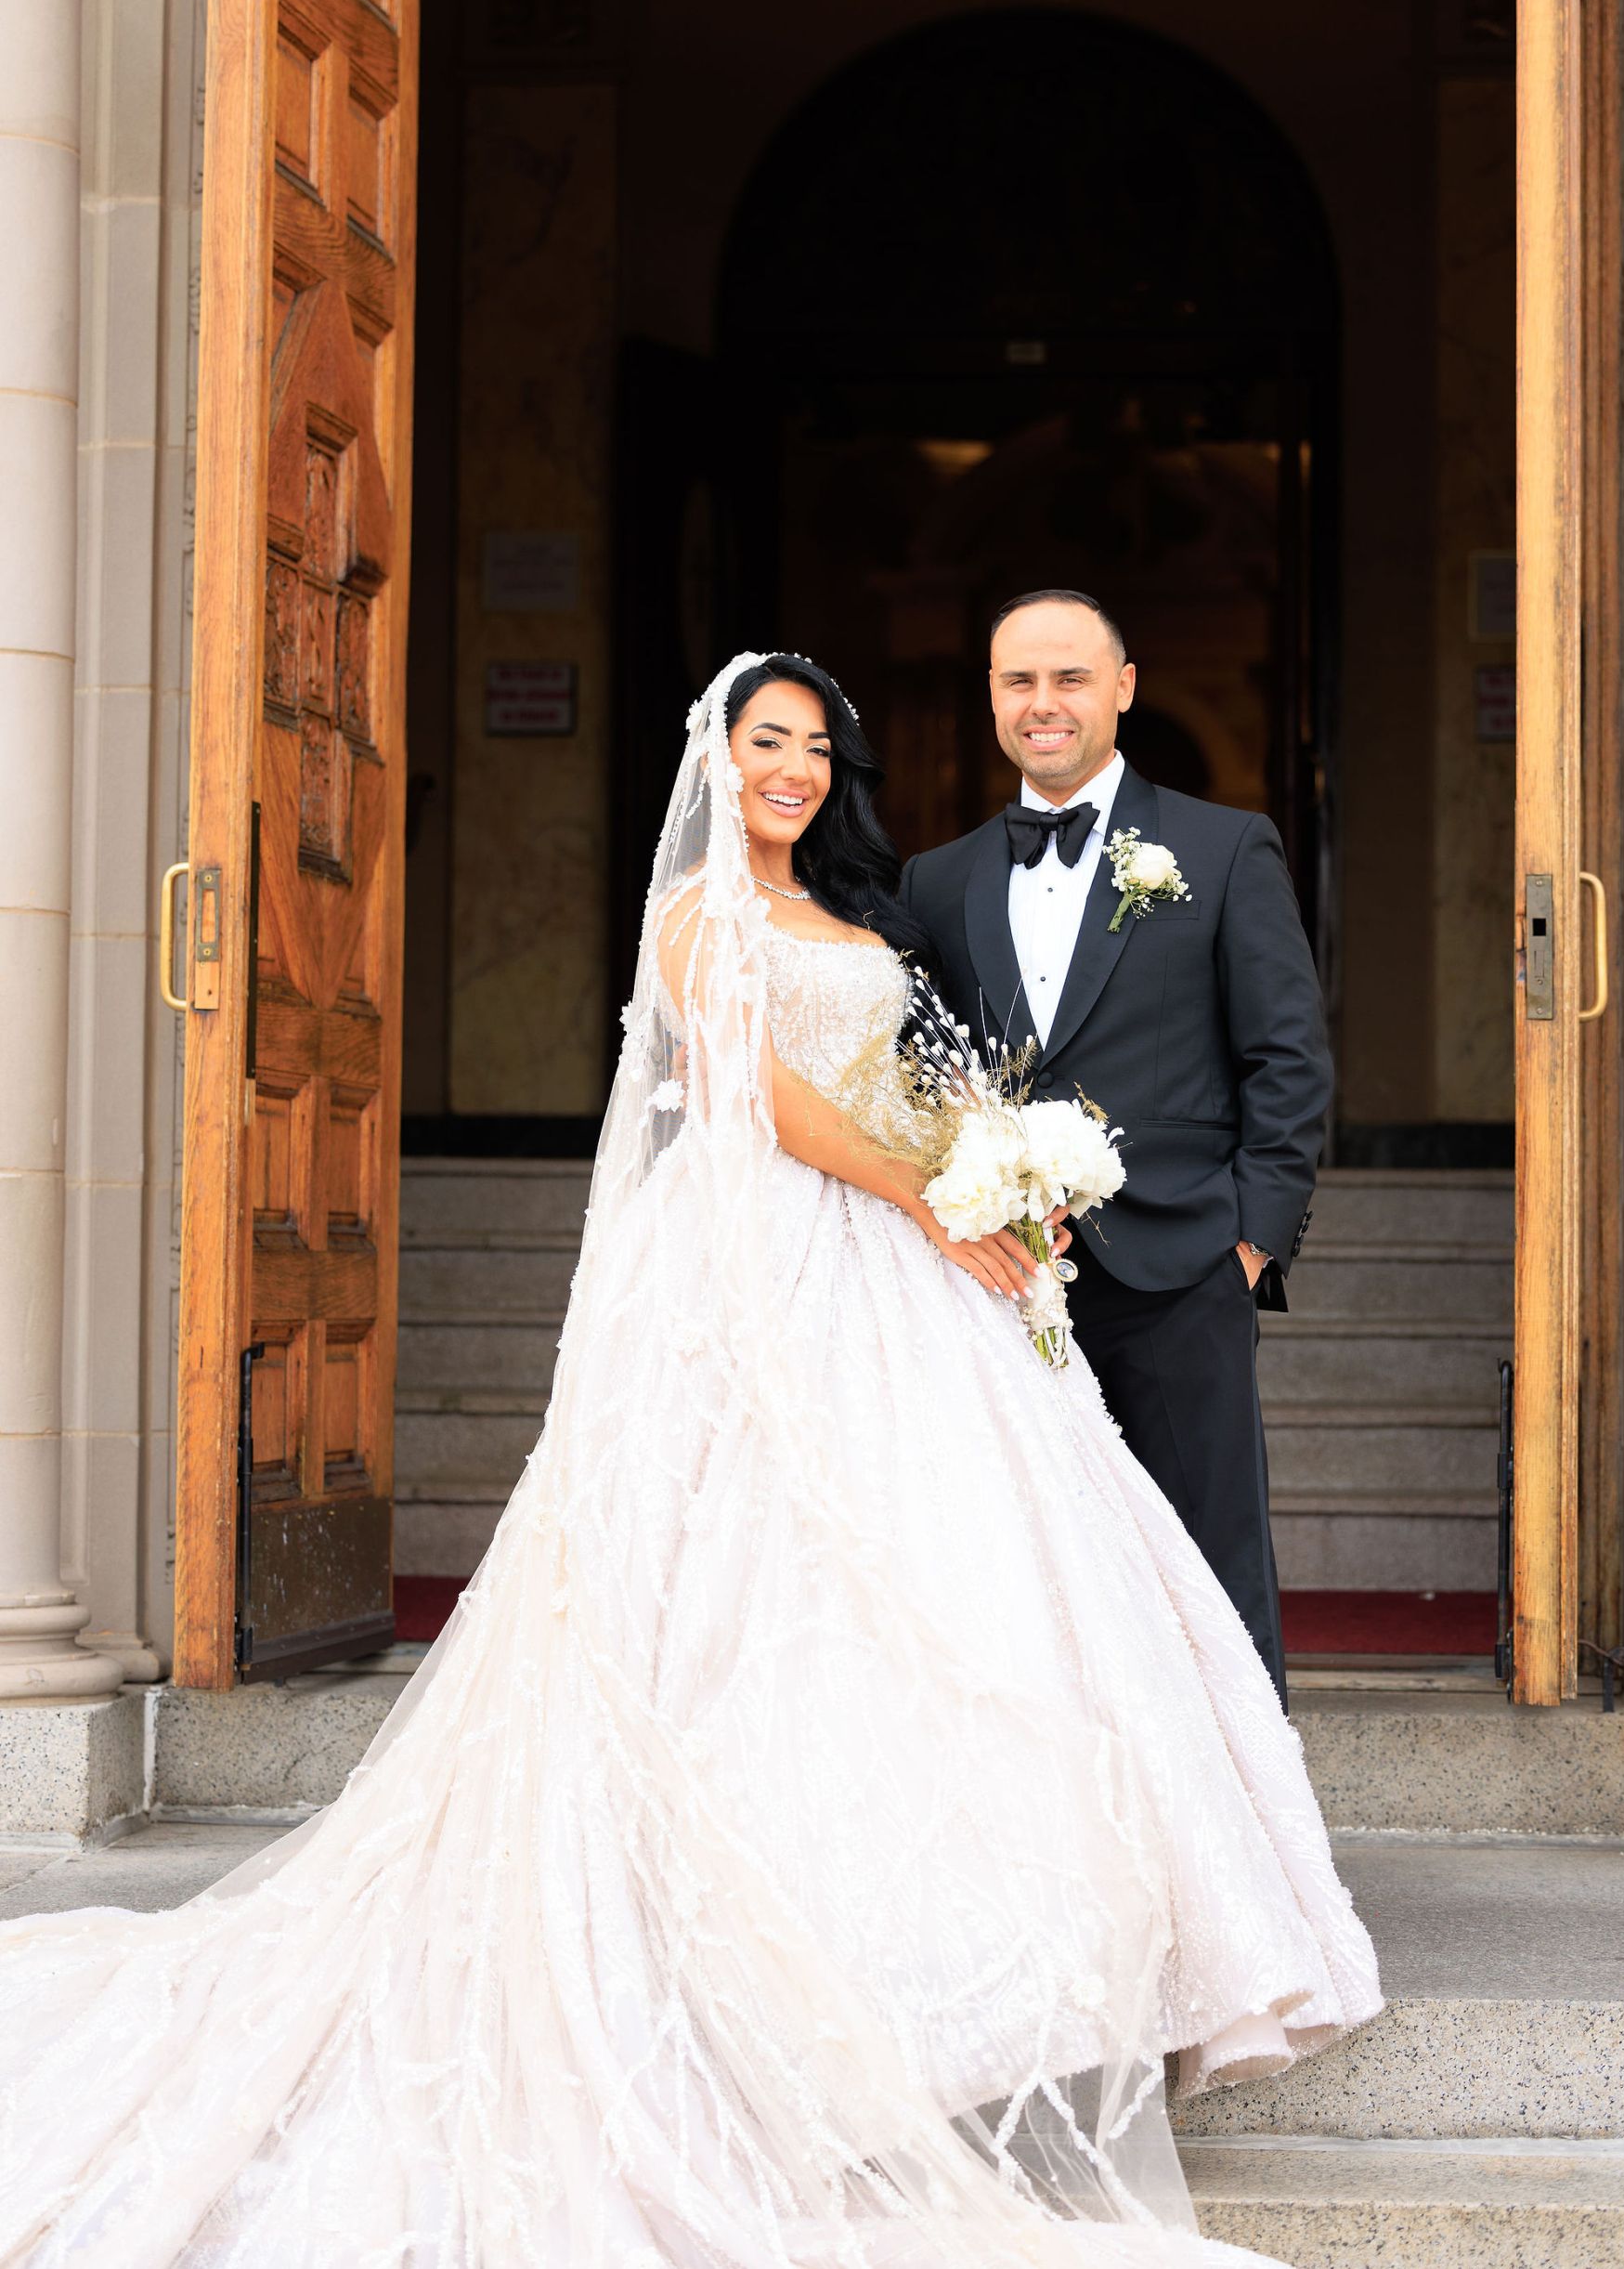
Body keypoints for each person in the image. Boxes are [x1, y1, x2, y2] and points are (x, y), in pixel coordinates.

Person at [0, 652, 1377, 2269]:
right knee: (754, 1603)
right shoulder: (699, 920)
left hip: (900, 1267)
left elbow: (902, 1074)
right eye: (763, 742)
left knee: (957, 1603)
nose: (790, 769)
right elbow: (769, 1099)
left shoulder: (872, 911)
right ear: (713, 763)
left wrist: (989, 1163)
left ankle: (950, 1978)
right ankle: (745, 1990)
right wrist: (941, 1196)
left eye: (812, 747)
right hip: (760, 1276)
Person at [902, 591, 1331, 1706]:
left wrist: (1251, 1243)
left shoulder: (1225, 846)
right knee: (1024, 1572)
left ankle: (1250, 1848)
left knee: (1207, 1565)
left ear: (1124, 687)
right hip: (1000, 1284)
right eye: (1018, 681)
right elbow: (921, 1075)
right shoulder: (936, 881)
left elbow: (1288, 1056)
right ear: (991, 695)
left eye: (1070, 678)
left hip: (1183, 1267)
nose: (1044, 704)